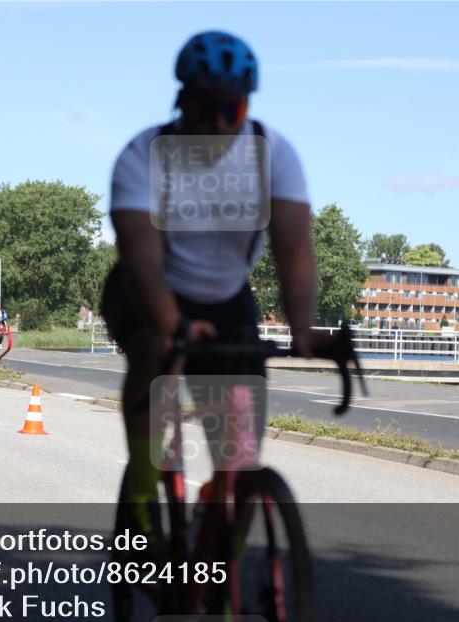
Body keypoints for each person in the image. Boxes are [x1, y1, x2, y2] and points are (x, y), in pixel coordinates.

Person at [101, 31, 316, 543]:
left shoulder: (273, 155)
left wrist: (304, 330)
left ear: (246, 106)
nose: (220, 124)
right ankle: (140, 487)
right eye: (206, 108)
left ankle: (220, 577)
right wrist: (174, 324)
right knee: (154, 349)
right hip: (147, 289)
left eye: (232, 110)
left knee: (239, 460)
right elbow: (142, 259)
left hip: (226, 298)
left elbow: (294, 250)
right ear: (182, 101)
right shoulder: (142, 157)